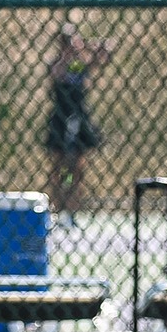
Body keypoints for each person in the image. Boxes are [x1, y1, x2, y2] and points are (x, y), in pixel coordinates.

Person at [44, 13, 109, 221]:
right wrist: (67, 53)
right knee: (58, 168)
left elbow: (103, 56)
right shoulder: (57, 63)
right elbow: (55, 75)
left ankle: (72, 211)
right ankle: (56, 209)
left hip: (79, 118)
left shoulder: (80, 65)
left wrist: (89, 48)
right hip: (60, 119)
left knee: (76, 170)